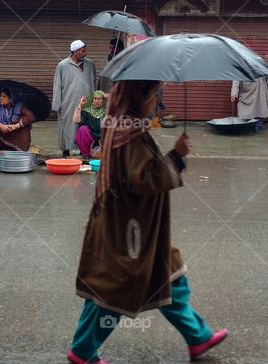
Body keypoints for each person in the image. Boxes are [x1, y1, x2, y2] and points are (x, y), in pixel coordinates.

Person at [67, 80, 228, 364]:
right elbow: (144, 179)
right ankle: (82, 351)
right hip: (129, 231)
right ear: (138, 96)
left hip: (142, 226)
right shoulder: (127, 133)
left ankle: (198, 337)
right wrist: (177, 155)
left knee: (170, 274)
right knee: (114, 289)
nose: (156, 103)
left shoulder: (128, 125)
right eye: (154, 95)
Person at [53, 40, 96, 157]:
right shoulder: (62, 65)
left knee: (85, 127)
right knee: (67, 127)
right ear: (75, 52)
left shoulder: (90, 65)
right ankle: (66, 151)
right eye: (83, 51)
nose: (85, 53)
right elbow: (57, 85)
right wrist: (57, 105)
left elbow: (93, 83)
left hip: (87, 102)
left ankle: (84, 150)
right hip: (68, 103)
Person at [0, 87, 36, 151]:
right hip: (0, 134)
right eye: (0, 96)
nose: (1, 98)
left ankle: (17, 147)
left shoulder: (19, 106)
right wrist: (0, 126)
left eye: (4, 96)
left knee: (25, 124)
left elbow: (31, 117)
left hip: (14, 135)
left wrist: (16, 126)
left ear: (11, 99)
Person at [73, 91, 107, 158]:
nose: (96, 101)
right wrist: (80, 105)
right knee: (82, 129)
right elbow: (76, 120)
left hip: (102, 137)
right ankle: (85, 154)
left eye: (99, 99)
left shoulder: (106, 110)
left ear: (103, 100)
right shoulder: (87, 111)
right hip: (90, 137)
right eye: (95, 98)